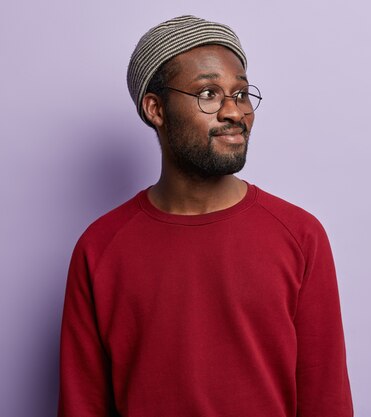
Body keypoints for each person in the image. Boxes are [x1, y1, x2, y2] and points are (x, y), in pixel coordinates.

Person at [57, 15, 353, 417]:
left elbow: (327, 400)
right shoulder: (100, 248)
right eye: (209, 93)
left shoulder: (300, 235)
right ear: (155, 108)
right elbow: (81, 405)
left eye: (242, 94)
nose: (235, 112)